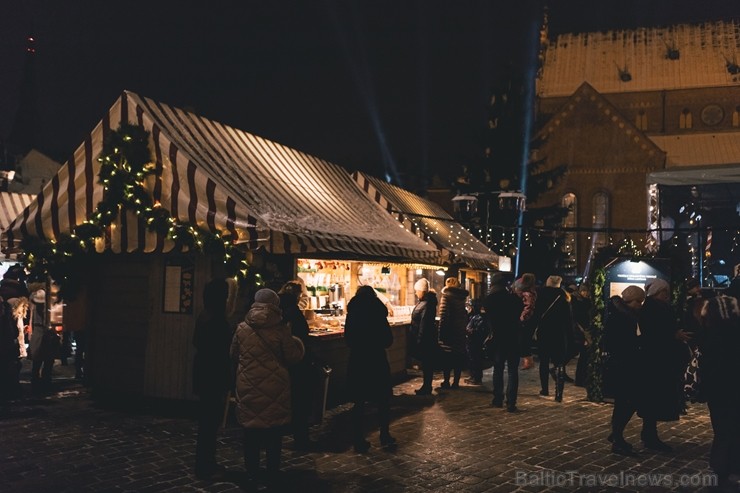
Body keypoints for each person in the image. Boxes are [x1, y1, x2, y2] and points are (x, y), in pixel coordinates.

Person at [231, 288, 304, 484]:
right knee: (274, 431)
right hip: (275, 386)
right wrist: (298, 345)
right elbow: (293, 357)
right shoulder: (281, 329)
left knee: (250, 431)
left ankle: (252, 471)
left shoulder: (242, 328)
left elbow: (234, 355)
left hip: (247, 384)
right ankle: (272, 471)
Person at [637, 278, 690, 452]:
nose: (666, 295)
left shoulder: (655, 307)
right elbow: (653, 333)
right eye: (664, 292)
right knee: (653, 398)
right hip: (655, 361)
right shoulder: (653, 309)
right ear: (657, 293)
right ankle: (650, 436)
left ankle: (649, 433)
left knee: (653, 399)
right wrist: (674, 335)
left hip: (657, 360)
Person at [344, 285, 396, 453]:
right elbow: (388, 339)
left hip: (358, 360)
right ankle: (384, 435)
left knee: (359, 403)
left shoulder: (352, 313)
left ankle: (358, 439)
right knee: (382, 401)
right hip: (376, 360)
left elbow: (348, 339)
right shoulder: (378, 312)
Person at [699, 277, 740, 490]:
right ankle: (727, 467)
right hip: (730, 386)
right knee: (730, 427)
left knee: (723, 427)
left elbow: (706, 364)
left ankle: (722, 467)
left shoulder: (709, 335)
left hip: (717, 388)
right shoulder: (732, 335)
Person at [192, 278, 233, 480]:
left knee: (207, 423)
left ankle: (206, 462)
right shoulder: (217, 320)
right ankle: (206, 465)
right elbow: (222, 351)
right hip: (213, 376)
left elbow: (196, 342)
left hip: (204, 374)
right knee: (210, 423)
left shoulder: (204, 315)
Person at [602, 285, 645, 456]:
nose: (640, 305)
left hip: (626, 363)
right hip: (623, 365)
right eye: (639, 301)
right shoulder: (622, 317)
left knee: (626, 401)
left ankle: (616, 435)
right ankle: (617, 437)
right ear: (631, 301)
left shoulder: (623, 314)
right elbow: (620, 342)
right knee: (626, 401)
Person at [277, 281, 316, 450]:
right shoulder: (294, 311)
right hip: (297, 363)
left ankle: (280, 434)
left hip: (279, 364)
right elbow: (302, 334)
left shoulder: (277, 310)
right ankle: (301, 437)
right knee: (300, 400)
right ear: (297, 295)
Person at [483, 272, 524, 412]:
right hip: (513, 337)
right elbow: (519, 313)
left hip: (498, 338)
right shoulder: (514, 299)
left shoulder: (490, 299)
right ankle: (511, 402)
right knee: (513, 371)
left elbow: (487, 318)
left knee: (498, 369)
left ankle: (497, 399)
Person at [534, 275, 575, 402]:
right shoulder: (564, 297)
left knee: (544, 362)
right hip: (560, 334)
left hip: (544, 332)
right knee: (559, 363)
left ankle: (544, 389)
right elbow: (569, 320)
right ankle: (559, 393)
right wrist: (571, 336)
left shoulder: (539, 296)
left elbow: (536, 315)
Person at [438, 277, 469, 389]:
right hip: (460, 331)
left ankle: (446, 381)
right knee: (457, 357)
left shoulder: (446, 297)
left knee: (447, 357)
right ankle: (456, 382)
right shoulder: (462, 298)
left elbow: (444, 316)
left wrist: (441, 334)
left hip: (449, 331)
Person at [409, 278, 438, 395]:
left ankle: (427, 387)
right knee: (427, 363)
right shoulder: (425, 302)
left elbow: (424, 324)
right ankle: (426, 386)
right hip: (424, 338)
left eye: (417, 291)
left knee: (427, 363)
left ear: (422, 291)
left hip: (425, 339)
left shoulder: (426, 304)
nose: (416, 293)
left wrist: (420, 339)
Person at [29, 289, 58, 392]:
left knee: (44, 360)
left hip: (44, 333)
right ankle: (40, 381)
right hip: (40, 332)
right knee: (40, 360)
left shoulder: (42, 308)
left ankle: (42, 381)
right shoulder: (38, 308)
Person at [512, 273, 537, 370]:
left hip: (526, 320)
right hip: (526, 319)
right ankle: (527, 361)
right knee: (524, 340)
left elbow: (528, 307)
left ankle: (528, 362)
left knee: (524, 340)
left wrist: (522, 318)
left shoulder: (527, 293)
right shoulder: (529, 291)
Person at [570, 283, 592, 387]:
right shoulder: (576, 301)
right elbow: (579, 317)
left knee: (583, 355)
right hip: (580, 331)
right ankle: (580, 379)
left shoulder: (585, 301)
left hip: (582, 330)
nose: (586, 293)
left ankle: (581, 379)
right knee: (582, 355)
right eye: (585, 291)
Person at [464, 300, 487, 385]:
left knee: (475, 359)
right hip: (470, 341)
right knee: (471, 359)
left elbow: (479, 331)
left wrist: (469, 331)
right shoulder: (472, 316)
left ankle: (476, 378)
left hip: (475, 342)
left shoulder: (479, 317)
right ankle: (473, 376)